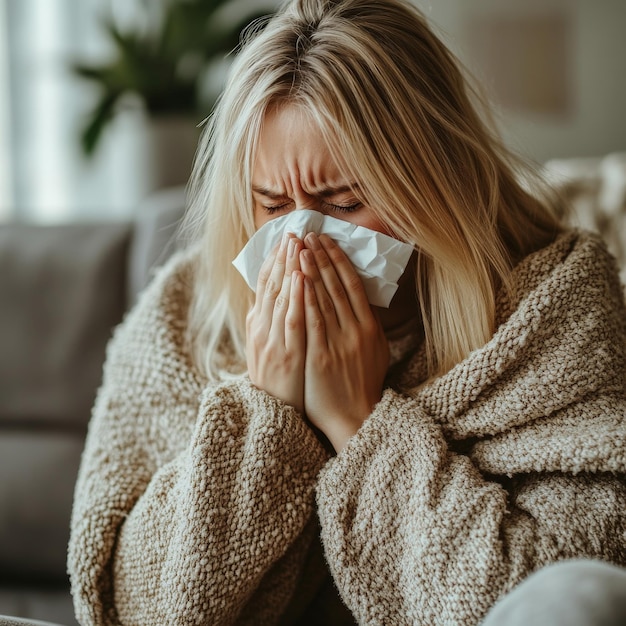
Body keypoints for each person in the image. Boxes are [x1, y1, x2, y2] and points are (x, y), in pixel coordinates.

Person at [67, 0, 626, 624]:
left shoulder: (554, 310)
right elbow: (128, 605)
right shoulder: (182, 314)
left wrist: (358, 424)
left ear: (436, 180)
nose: (304, 242)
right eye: (273, 205)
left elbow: (564, 590)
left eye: (345, 202)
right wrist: (267, 411)